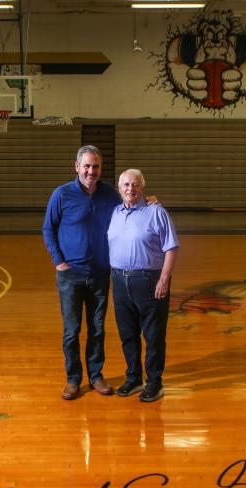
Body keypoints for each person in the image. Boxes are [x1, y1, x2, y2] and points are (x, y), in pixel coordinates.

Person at [42, 145, 119, 400]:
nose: (91, 171)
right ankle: (73, 379)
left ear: (100, 169)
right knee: (72, 330)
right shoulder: (62, 195)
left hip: (99, 274)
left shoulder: (110, 194)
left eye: (95, 166)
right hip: (70, 275)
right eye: (86, 166)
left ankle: (96, 376)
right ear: (76, 167)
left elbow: (129, 210)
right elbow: (48, 229)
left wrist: (146, 203)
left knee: (97, 328)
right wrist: (59, 262)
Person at [108, 169, 179, 403]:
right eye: (126, 185)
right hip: (119, 280)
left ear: (143, 188)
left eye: (135, 185)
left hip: (149, 281)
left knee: (154, 335)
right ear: (119, 189)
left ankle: (155, 382)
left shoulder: (155, 211)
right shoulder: (115, 213)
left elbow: (171, 247)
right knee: (128, 334)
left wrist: (164, 279)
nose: (131, 188)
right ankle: (134, 378)